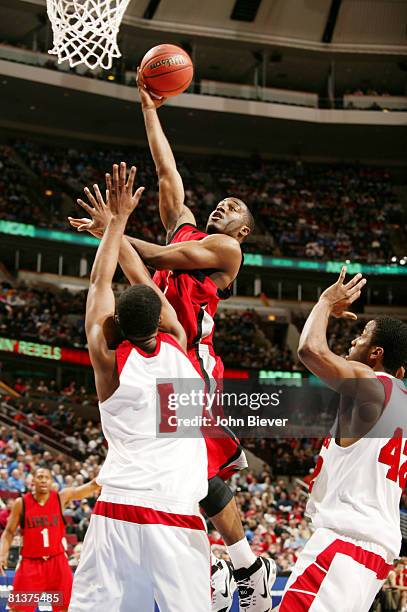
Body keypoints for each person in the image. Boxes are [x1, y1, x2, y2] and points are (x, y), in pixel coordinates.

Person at [68, 87, 275, 612]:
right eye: (222, 201)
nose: (224, 205)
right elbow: (167, 175)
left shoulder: (227, 250)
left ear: (243, 229)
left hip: (189, 361)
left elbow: (158, 253)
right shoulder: (185, 224)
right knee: (179, 469)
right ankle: (235, 565)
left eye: (235, 208)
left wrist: (112, 230)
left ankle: (243, 565)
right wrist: (149, 110)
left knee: (193, 467)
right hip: (157, 350)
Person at [68, 164, 210, 612]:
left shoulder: (110, 364)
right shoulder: (183, 349)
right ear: (159, 319)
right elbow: (145, 284)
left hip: (119, 509)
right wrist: (117, 224)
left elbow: (98, 284)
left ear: (116, 327)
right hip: (179, 512)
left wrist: (113, 228)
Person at [279, 267, 407, 612]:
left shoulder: (372, 383)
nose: (353, 340)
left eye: (362, 335)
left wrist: (324, 301)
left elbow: (310, 350)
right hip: (372, 553)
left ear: (376, 353)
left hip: (344, 544)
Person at [0, 467, 100, 612]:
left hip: (57, 562)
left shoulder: (61, 498)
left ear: (51, 481)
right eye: (39, 477)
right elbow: (9, 532)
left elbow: (91, 486)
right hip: (30, 563)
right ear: (32, 480)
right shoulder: (21, 503)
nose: (43, 480)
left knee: (64, 607)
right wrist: (2, 554)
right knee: (18, 608)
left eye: (46, 477)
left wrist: (107, 476)